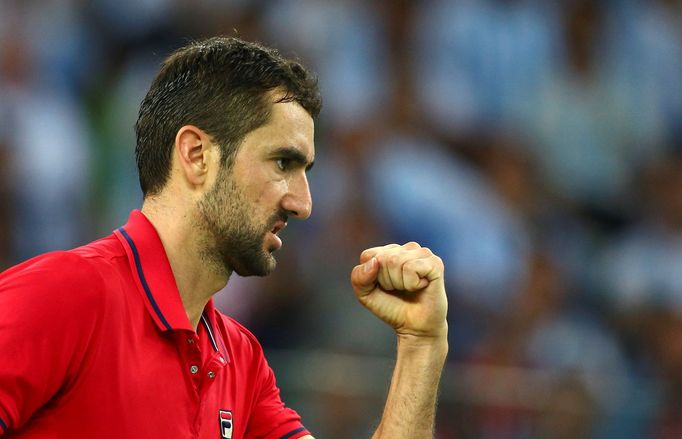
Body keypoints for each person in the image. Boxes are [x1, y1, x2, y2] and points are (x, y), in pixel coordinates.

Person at [0, 37, 448, 438]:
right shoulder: (66, 294)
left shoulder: (242, 361)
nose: (303, 203)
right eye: (282, 163)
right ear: (196, 156)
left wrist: (421, 349)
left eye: (305, 172)